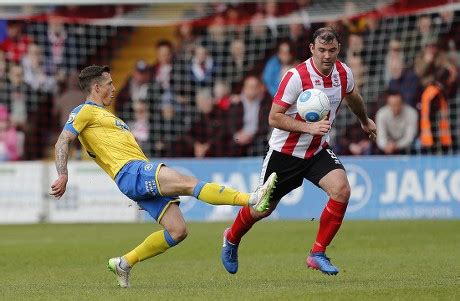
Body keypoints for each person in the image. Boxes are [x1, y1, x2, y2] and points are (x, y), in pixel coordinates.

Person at [49, 65, 278, 288]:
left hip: (136, 175)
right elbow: (63, 140)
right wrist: (63, 175)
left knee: (178, 231)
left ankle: (124, 263)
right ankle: (252, 199)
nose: (114, 87)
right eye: (109, 84)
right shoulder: (83, 111)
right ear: (97, 87)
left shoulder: (106, 115)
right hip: (131, 172)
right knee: (189, 184)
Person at [221, 27, 377, 276]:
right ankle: (231, 237)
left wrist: (364, 120)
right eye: (322, 50)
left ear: (339, 49)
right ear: (312, 49)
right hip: (284, 154)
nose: (327, 56)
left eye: (332, 50)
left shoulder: (343, 73)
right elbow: (274, 117)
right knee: (262, 209)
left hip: (316, 151)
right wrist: (309, 127)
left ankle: (317, 253)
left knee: (342, 190)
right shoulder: (295, 77)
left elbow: (353, 97)